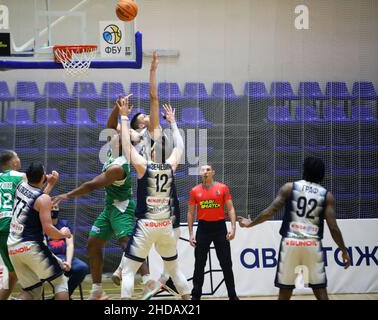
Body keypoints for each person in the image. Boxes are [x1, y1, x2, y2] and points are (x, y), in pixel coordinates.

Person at [52, 120, 149, 300]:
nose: (113, 137)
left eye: (117, 137)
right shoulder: (114, 150)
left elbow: (91, 185)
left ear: (121, 144)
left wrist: (67, 195)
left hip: (122, 207)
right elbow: (111, 123)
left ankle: (147, 280)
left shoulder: (119, 167)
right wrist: (117, 108)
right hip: (109, 207)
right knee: (93, 245)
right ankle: (97, 290)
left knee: (127, 244)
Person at [238, 156, 351, 300]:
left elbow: (269, 212)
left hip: (290, 243)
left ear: (304, 170)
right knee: (320, 290)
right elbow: (333, 227)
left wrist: (250, 223)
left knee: (285, 292)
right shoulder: (326, 195)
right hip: (312, 244)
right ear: (322, 174)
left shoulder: (290, 187)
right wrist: (343, 250)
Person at [117, 99, 191, 300]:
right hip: (166, 225)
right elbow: (181, 145)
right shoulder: (171, 166)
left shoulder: (143, 166)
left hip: (146, 226)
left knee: (129, 271)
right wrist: (173, 123)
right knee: (175, 271)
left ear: (151, 152)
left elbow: (125, 144)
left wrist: (124, 117)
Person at [0, 150, 57, 300]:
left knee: (12, 276)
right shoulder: (21, 176)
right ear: (14, 163)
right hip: (16, 228)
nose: (19, 159)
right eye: (17, 157)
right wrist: (49, 182)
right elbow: (36, 200)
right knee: (38, 278)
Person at [7, 162, 70, 300]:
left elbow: (35, 203)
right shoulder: (44, 199)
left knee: (32, 290)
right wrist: (63, 234)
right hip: (30, 246)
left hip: (12, 248)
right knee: (61, 283)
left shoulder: (20, 185)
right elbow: (48, 230)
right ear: (42, 177)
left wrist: (49, 183)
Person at [187, 164, 239, 300]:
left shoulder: (222, 188)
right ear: (200, 173)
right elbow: (191, 213)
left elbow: (231, 209)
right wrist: (191, 233)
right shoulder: (194, 190)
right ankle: (195, 297)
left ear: (213, 173)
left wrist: (233, 228)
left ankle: (233, 296)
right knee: (199, 264)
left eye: (208, 170)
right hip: (203, 229)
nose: (206, 172)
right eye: (203, 170)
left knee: (226, 263)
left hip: (219, 228)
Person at [45, 204, 89, 299]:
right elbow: (44, 247)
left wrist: (68, 262)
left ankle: (64, 296)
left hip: (66, 258)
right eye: (51, 207)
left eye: (56, 208)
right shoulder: (43, 226)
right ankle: (61, 296)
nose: (54, 210)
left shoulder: (65, 224)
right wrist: (59, 262)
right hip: (51, 259)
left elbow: (70, 244)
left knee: (82, 268)